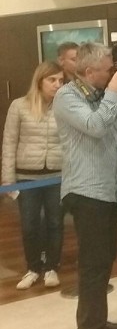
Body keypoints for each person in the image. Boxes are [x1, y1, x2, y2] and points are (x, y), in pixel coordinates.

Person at [53, 42, 117, 329]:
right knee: (93, 263)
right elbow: (94, 126)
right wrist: (114, 93)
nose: (113, 73)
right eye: (108, 70)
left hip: (110, 189)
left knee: (105, 259)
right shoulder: (67, 96)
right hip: (86, 191)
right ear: (89, 71)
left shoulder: (106, 94)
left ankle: (98, 320)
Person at [2, 61, 65, 290]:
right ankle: (33, 268)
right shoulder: (19, 106)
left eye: (61, 80)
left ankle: (52, 267)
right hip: (26, 178)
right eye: (52, 80)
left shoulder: (64, 107)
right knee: (30, 225)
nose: (57, 85)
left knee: (55, 222)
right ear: (39, 81)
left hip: (57, 175)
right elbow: (9, 143)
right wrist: (8, 181)